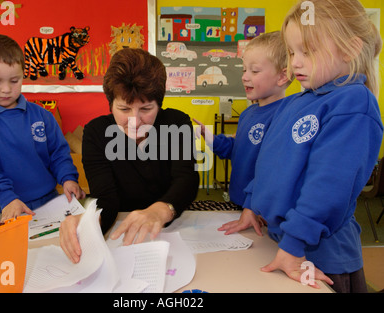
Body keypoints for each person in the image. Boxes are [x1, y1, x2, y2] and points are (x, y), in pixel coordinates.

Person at [230, 0, 383, 292]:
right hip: (283, 244)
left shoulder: (352, 103)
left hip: (315, 257)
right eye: (291, 52)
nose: (295, 63)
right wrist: (251, 205)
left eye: (308, 51)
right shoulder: (295, 101)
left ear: (350, 49)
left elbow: (329, 187)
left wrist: (295, 243)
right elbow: (268, 163)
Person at [60, 48, 199, 263]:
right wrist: (88, 223)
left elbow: (186, 179)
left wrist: (161, 210)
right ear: (111, 104)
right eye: (124, 109)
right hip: (122, 233)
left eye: (146, 109)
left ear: (159, 104)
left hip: (173, 228)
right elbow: (106, 199)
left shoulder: (176, 123)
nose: (135, 120)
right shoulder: (96, 133)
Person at [0, 34, 84, 221]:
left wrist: (68, 178)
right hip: (3, 206)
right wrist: (7, 198)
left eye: (14, 80)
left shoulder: (42, 115)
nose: (6, 89)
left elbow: (58, 153)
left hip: (49, 203)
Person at [194, 31, 293, 234]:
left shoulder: (286, 114)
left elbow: (273, 169)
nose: (245, 76)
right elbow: (237, 149)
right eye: (244, 69)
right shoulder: (249, 113)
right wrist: (210, 137)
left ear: (283, 76)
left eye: (254, 71)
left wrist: (253, 206)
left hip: (263, 211)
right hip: (240, 205)